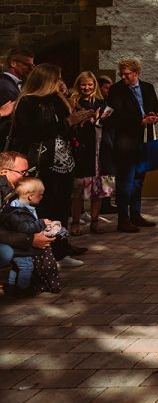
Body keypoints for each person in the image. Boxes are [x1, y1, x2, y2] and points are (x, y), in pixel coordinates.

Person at [7, 64, 92, 264]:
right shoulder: (28, 102)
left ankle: (62, 245)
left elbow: (64, 128)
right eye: (57, 79)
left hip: (64, 160)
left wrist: (77, 121)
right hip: (44, 162)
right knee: (48, 205)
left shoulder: (56, 100)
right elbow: (34, 132)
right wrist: (67, 122)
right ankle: (51, 251)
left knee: (62, 204)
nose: (60, 83)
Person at [106, 58, 158, 233]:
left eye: (127, 74)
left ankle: (136, 214)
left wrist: (155, 116)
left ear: (137, 73)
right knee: (126, 181)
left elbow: (156, 108)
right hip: (126, 141)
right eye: (121, 74)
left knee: (139, 179)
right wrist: (140, 120)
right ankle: (123, 219)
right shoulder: (116, 90)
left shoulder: (147, 87)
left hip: (145, 139)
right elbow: (117, 116)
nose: (123, 77)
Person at [69, 71, 115, 235]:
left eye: (90, 84)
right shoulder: (73, 102)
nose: (87, 87)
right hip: (83, 150)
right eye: (83, 84)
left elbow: (108, 121)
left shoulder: (101, 102)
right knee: (78, 190)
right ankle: (75, 223)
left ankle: (95, 222)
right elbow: (70, 125)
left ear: (94, 85)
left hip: (101, 148)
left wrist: (97, 119)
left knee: (99, 188)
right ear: (78, 85)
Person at [0, 152, 55, 279]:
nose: (27, 175)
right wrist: (30, 240)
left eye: (28, 171)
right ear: (3, 172)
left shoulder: (11, 189)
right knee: (6, 253)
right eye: (22, 172)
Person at [0, 178, 57, 296]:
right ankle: (23, 288)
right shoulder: (17, 212)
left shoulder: (21, 207)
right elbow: (24, 228)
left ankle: (11, 287)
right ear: (30, 196)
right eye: (40, 195)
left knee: (17, 266)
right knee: (26, 266)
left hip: (18, 244)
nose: (42, 197)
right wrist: (40, 224)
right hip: (19, 246)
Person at [0, 47, 34, 142]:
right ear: (13, 63)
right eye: (26, 65)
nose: (31, 69)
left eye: (32, 65)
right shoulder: (5, 86)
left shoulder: (17, 84)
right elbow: (14, 117)